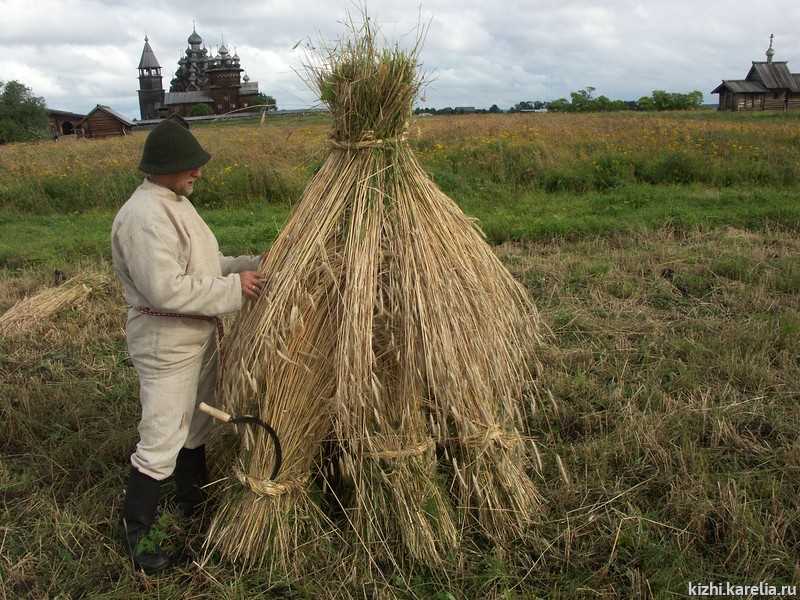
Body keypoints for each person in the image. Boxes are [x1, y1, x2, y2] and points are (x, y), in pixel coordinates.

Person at [111, 118, 265, 573]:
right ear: (163, 168)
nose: (197, 173)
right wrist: (237, 289)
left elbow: (205, 263)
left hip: (196, 332)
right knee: (162, 432)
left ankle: (191, 502)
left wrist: (250, 264)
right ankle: (138, 536)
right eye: (189, 166)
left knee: (196, 421)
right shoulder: (142, 217)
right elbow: (166, 289)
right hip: (166, 340)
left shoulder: (176, 202)